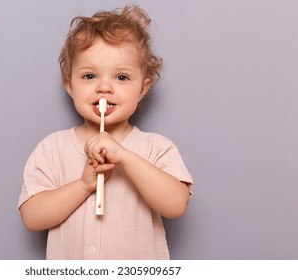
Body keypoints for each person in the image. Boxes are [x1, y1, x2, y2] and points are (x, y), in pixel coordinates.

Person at [18, 5, 193, 260]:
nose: (104, 87)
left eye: (121, 77)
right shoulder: (51, 148)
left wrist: (125, 157)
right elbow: (32, 218)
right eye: (89, 76)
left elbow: (176, 205)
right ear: (69, 85)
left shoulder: (157, 147)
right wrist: (83, 185)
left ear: (142, 89)